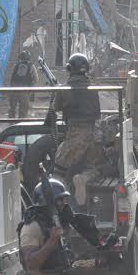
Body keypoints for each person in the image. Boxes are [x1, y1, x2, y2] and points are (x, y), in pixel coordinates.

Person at [46, 53, 102, 182]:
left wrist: (56, 92)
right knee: (93, 167)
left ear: (69, 69)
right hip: (94, 133)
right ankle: (83, 179)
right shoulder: (93, 88)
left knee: (58, 169)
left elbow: (56, 108)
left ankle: (58, 195)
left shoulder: (65, 89)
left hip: (75, 134)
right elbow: (97, 112)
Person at [8, 49, 37, 119]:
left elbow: (12, 77)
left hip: (14, 91)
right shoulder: (31, 66)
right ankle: (20, 124)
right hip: (24, 91)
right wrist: (31, 88)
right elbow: (36, 79)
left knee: (12, 109)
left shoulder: (16, 65)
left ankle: (11, 124)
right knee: (23, 110)